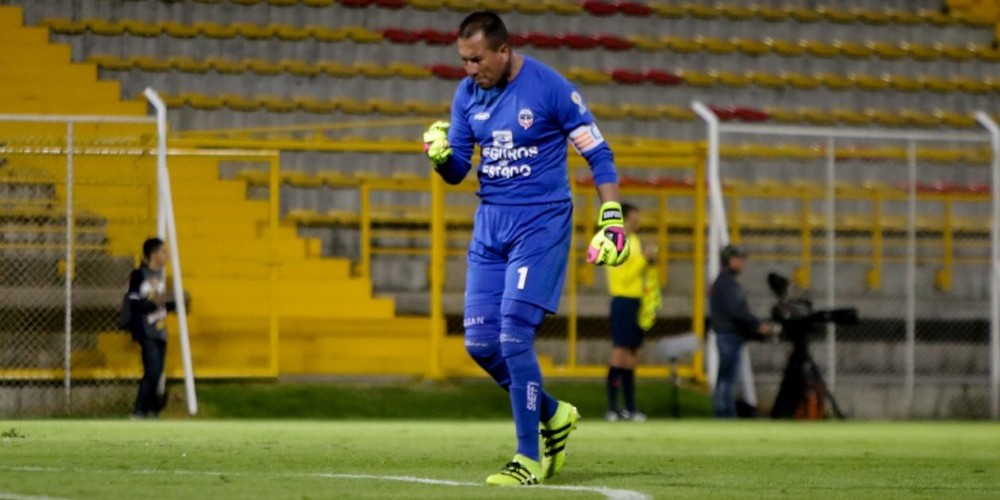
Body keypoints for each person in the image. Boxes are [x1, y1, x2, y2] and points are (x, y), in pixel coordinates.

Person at [422, 11, 628, 486]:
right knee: (479, 343)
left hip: (540, 223)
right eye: (463, 60)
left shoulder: (549, 88)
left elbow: (597, 151)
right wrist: (439, 157)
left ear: (503, 51)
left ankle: (526, 458)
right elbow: (458, 170)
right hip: (490, 225)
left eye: (477, 60)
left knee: (515, 335)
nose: (470, 69)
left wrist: (611, 216)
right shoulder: (466, 95)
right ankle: (554, 417)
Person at [604, 203, 656, 423]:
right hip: (622, 300)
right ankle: (613, 408)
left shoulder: (634, 240)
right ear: (625, 218)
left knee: (632, 357)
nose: (638, 220)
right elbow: (623, 277)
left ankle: (630, 408)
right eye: (635, 216)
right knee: (620, 354)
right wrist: (644, 260)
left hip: (635, 302)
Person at [709, 245, 773, 419]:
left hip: (725, 333)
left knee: (725, 376)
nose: (742, 263)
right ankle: (725, 414)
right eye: (739, 259)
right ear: (731, 260)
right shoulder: (728, 284)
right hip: (729, 334)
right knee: (727, 378)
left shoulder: (721, 282)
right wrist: (756, 325)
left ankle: (724, 412)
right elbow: (737, 311)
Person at [127, 237, 175, 419]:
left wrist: (171, 306)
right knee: (153, 369)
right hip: (147, 330)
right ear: (154, 254)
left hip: (160, 330)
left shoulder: (161, 276)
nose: (166, 255)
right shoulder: (140, 275)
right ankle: (139, 410)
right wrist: (152, 305)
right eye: (163, 251)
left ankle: (150, 411)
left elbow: (160, 304)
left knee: (156, 372)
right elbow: (133, 301)